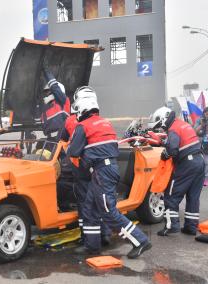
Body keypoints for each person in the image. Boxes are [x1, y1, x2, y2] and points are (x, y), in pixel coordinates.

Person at [68, 87, 151, 258]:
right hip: (106, 169)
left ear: (82, 106)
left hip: (101, 172)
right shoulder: (105, 123)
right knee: (90, 208)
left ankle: (141, 240)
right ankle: (92, 247)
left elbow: (73, 152)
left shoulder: (82, 126)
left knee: (108, 212)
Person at [62, 107, 111, 252]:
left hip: (80, 166)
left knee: (85, 204)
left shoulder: (70, 121)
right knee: (101, 201)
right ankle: (106, 233)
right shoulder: (99, 121)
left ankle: (87, 238)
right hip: (96, 165)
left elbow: (63, 141)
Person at [150, 107, 205, 236]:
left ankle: (171, 226)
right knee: (193, 196)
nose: (161, 128)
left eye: (160, 125)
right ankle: (191, 227)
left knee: (171, 195)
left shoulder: (173, 128)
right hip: (199, 161)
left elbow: (173, 150)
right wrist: (165, 143)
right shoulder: (183, 124)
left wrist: (165, 154)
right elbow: (181, 142)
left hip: (187, 164)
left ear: (163, 119)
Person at [40, 65, 70, 139]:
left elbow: (54, 87)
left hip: (62, 137)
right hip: (50, 139)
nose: (46, 94)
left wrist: (46, 72)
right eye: (46, 92)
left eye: (48, 91)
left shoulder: (63, 100)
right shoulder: (46, 108)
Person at [194, 107, 208, 187]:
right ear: (203, 113)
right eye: (206, 114)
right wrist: (201, 125)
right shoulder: (198, 120)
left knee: (207, 162)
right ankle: (198, 178)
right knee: (198, 162)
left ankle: (206, 178)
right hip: (198, 143)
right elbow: (195, 131)